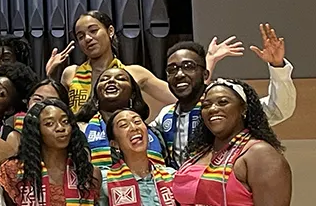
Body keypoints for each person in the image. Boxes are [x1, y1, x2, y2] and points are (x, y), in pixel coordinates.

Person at [48, 10, 235, 113]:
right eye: (81, 36)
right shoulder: (70, 73)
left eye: (93, 30)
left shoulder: (135, 72)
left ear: (110, 31)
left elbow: (183, 95)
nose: (87, 38)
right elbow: (53, 110)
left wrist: (209, 61)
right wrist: (49, 75)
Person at [155, 28, 296, 163]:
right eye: (172, 69)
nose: (179, 74)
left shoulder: (225, 107)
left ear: (205, 74)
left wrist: (277, 66)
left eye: (188, 67)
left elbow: (278, 109)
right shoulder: (165, 115)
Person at [77, 67, 166, 167]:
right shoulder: (81, 129)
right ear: (96, 94)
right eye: (104, 79)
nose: (111, 81)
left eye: (121, 79)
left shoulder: (153, 133)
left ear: (133, 94)